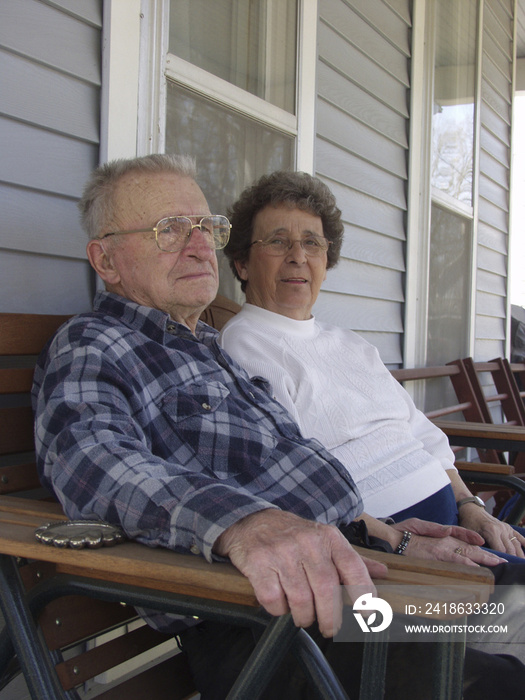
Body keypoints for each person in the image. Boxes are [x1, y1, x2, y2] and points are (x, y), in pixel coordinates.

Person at [31, 155, 525, 700]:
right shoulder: (94, 344)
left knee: (515, 608)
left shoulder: (211, 354)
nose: (198, 245)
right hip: (277, 621)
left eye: (205, 228)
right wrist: (245, 523)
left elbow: (291, 477)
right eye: (169, 229)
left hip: (359, 574)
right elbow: (90, 459)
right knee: (502, 680)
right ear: (107, 260)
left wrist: (392, 536)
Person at [219, 169, 525, 563]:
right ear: (242, 263)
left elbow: (418, 430)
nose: (298, 255)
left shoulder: (349, 343)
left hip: (456, 522)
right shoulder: (247, 344)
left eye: (312, 243)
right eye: (278, 241)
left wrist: (472, 507)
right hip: (393, 551)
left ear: (326, 261)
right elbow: (292, 476)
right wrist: (395, 542)